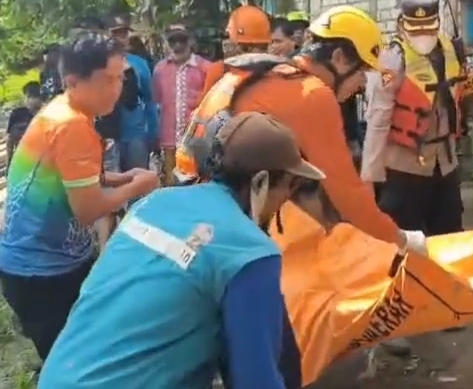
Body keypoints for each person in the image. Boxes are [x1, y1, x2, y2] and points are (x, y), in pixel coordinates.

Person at [40, 112, 327, 389]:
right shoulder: (249, 252)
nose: (287, 199)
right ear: (261, 181)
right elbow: (256, 380)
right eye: (291, 186)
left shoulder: (155, 202)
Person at [175, 5, 426, 255]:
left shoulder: (267, 74)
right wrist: (401, 240)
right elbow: (347, 194)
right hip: (218, 219)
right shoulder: (313, 94)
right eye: (362, 72)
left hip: (193, 200)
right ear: (339, 58)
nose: (362, 84)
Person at [0, 34, 160, 362]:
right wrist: (137, 187)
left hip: (50, 261)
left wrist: (121, 177)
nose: (117, 88)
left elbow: (68, 177)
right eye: (108, 80)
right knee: (73, 363)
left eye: (121, 78)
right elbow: (88, 209)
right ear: (73, 81)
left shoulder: (63, 110)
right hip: (42, 271)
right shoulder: (72, 125)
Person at [362, 0, 473, 239]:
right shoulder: (392, 58)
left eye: (428, 28)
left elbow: (468, 92)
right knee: (402, 235)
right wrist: (370, 173)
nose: (423, 35)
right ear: (402, 24)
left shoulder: (451, 50)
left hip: (445, 162)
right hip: (404, 164)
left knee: (449, 232)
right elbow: (378, 117)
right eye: (416, 29)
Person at [153, 23, 211, 185]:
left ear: (190, 41)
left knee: (197, 181)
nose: (178, 46)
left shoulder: (205, 68)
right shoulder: (160, 70)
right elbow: (156, 102)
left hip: (197, 139)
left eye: (182, 40)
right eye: (173, 41)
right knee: (171, 183)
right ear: (167, 43)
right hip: (170, 140)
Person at [105, 15, 159, 171]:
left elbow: (150, 100)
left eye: (123, 33)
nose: (120, 38)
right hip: (109, 135)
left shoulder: (139, 63)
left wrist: (153, 132)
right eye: (115, 34)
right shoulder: (99, 64)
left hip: (136, 134)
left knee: (139, 178)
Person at [202, 5, 272, 95]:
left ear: (240, 46)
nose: (225, 43)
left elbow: (206, 103)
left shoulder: (220, 71)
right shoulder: (282, 71)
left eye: (227, 36)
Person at [6, 81, 43, 167]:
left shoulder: (17, 114)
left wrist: (9, 162)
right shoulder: (17, 113)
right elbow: (10, 139)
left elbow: (10, 140)